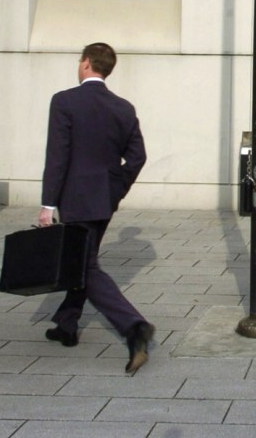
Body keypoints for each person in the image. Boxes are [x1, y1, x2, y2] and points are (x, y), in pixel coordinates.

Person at [38, 42, 155, 375]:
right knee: (81, 260)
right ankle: (67, 324)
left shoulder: (65, 101)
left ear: (87, 63)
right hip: (104, 199)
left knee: (85, 266)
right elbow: (137, 158)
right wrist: (115, 187)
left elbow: (57, 154)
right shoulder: (123, 107)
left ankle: (134, 327)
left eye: (80, 61)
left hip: (75, 198)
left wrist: (48, 203)